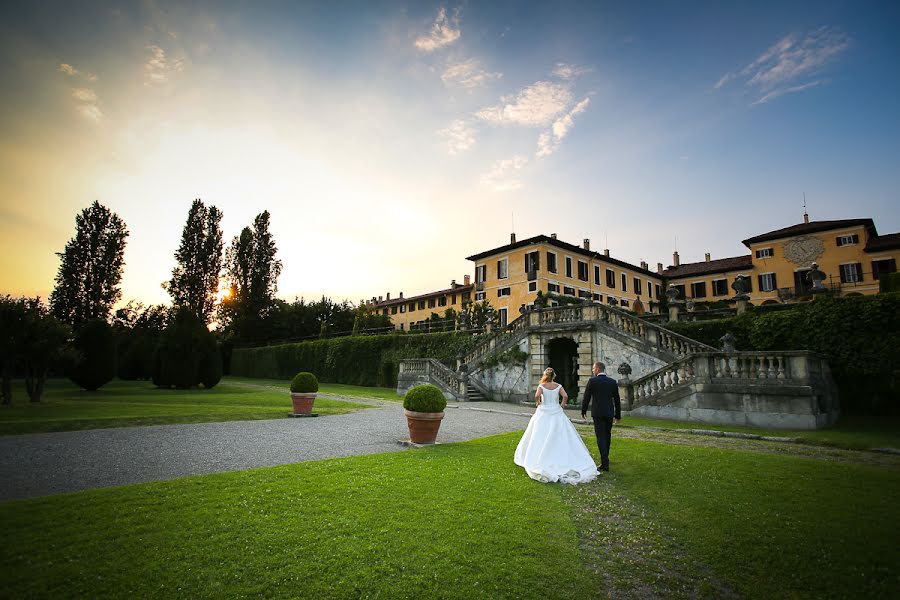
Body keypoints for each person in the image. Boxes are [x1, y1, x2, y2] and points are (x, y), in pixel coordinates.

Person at [514, 367, 599, 484]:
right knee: (561, 434)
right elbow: (565, 396)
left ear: (545, 375)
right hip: (556, 410)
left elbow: (536, 395)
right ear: (554, 376)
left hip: (544, 411)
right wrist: (562, 405)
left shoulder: (541, 386)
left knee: (539, 434)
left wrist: (539, 403)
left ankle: (540, 455)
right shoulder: (558, 386)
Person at [581, 361, 621, 472]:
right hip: (609, 412)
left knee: (600, 437)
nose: (593, 370)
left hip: (598, 413)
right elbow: (617, 400)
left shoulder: (592, 381)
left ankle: (605, 462)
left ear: (598, 369)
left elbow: (586, 397)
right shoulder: (612, 382)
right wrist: (618, 415)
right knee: (607, 435)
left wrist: (583, 410)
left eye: (593, 368)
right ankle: (605, 458)